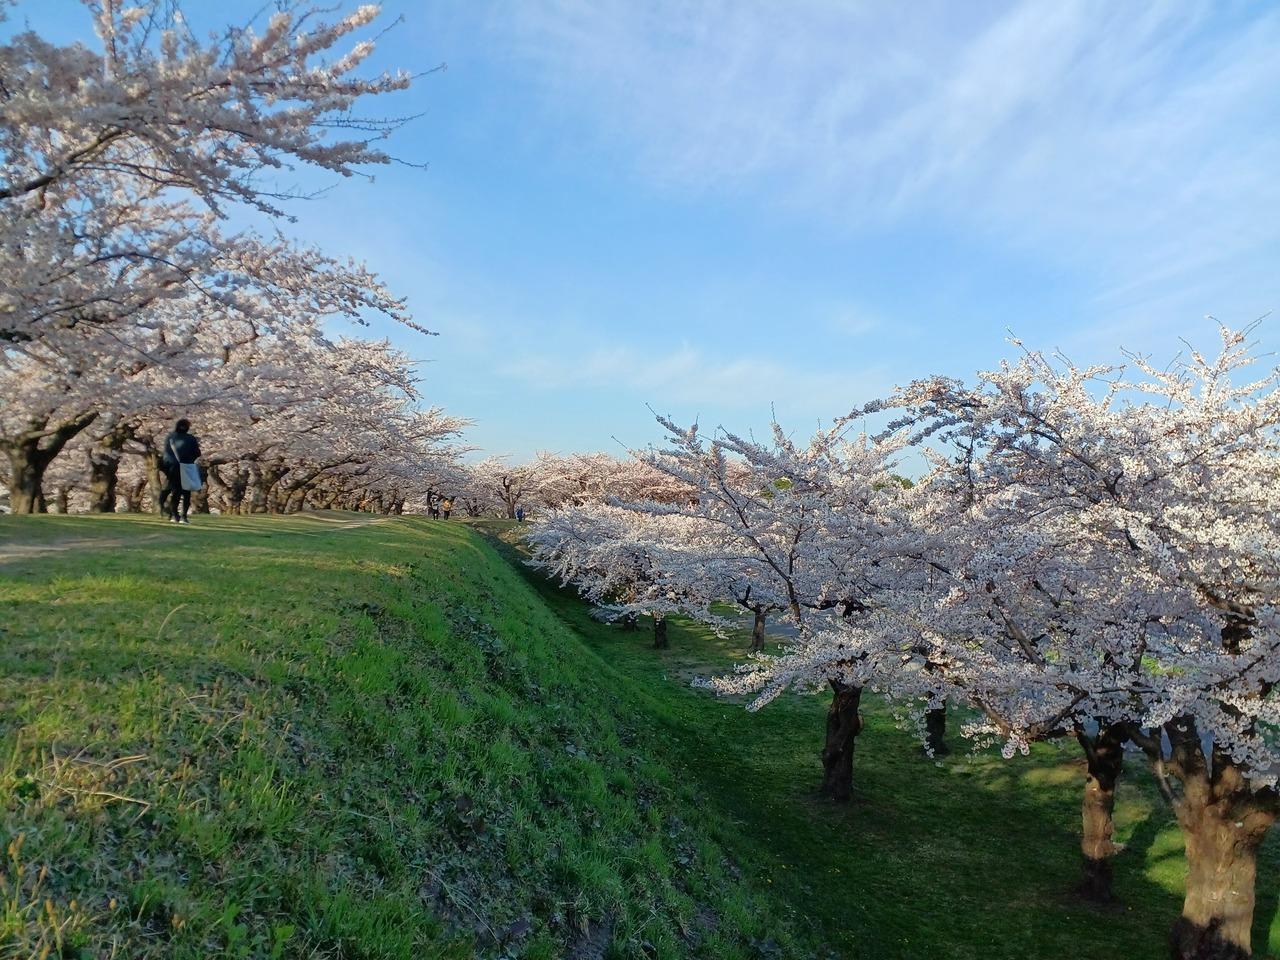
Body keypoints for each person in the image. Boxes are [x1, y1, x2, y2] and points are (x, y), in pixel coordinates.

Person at [159, 418, 202, 524]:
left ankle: (174, 515)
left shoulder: (170, 437)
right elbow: (197, 453)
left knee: (175, 492)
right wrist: (189, 459)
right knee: (186, 493)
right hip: (186, 466)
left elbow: (166, 455)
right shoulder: (191, 438)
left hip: (172, 468)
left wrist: (167, 468)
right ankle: (184, 516)